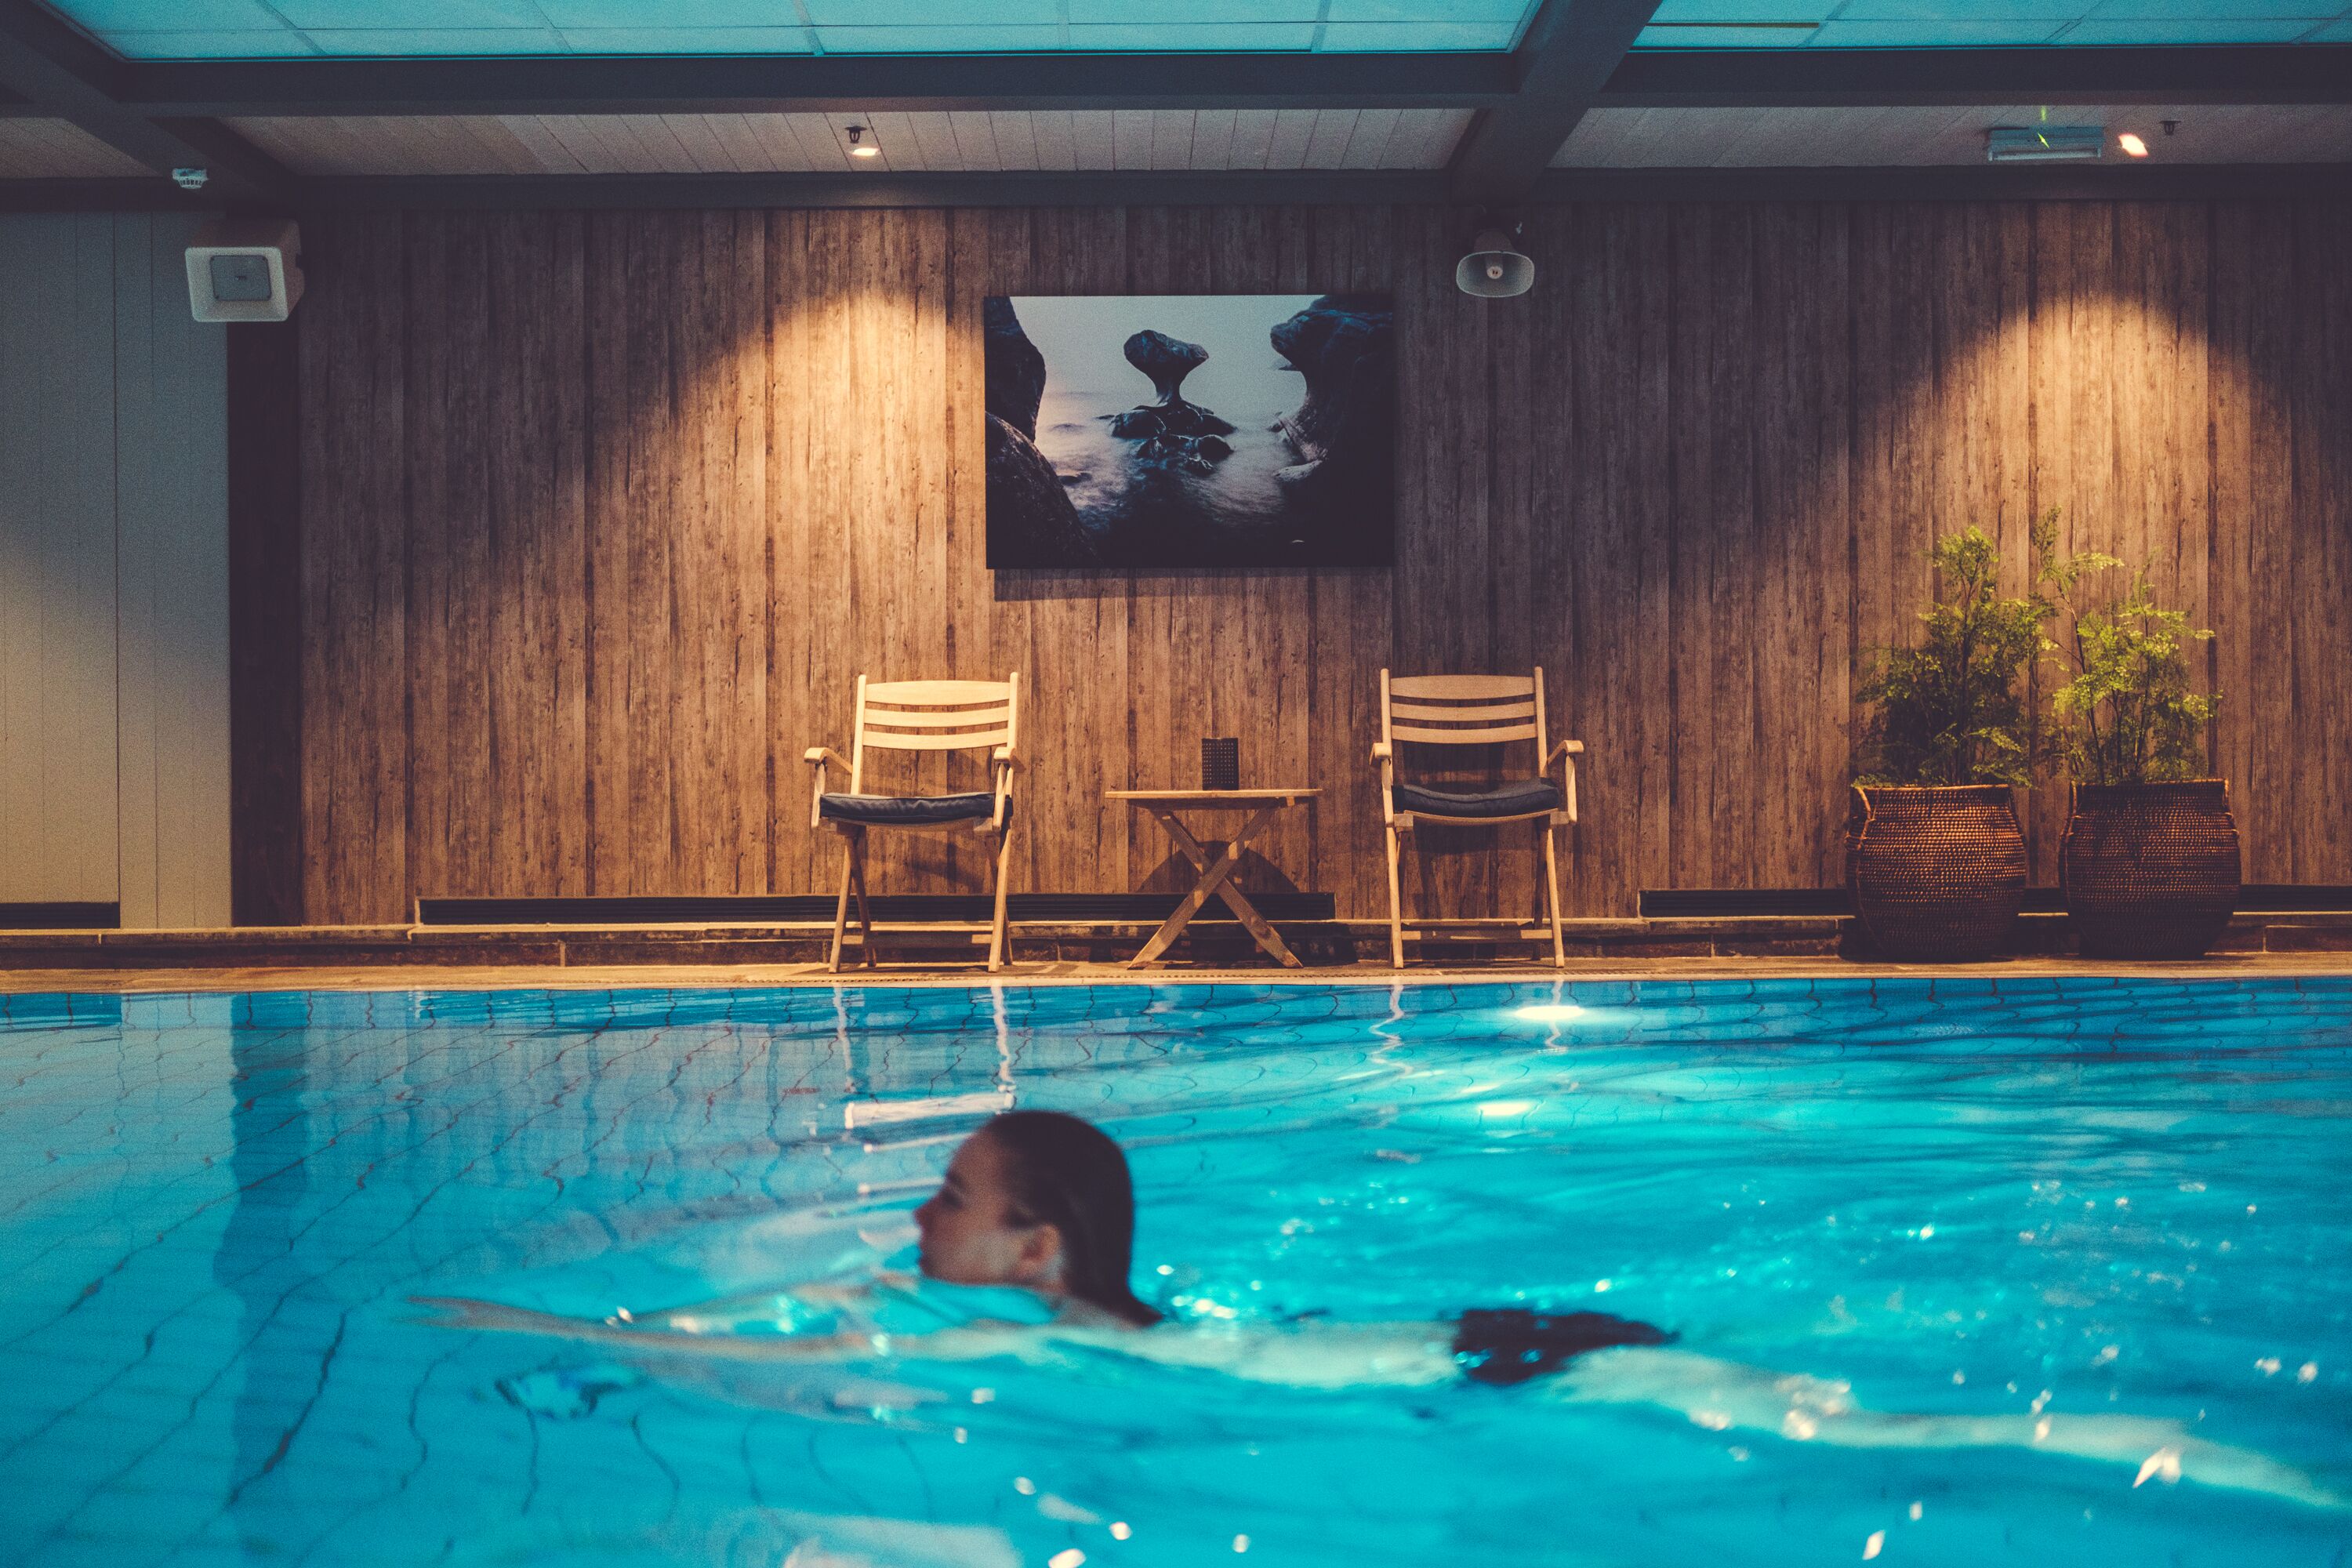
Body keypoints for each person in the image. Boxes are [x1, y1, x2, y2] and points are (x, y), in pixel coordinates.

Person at [416, 1112, 2340, 1509]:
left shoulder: (1001, 1333)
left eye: (952, 1198)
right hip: (1489, 1344)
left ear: (1034, 1250)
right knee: (1860, 1424)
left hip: (1513, 1367)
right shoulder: (1075, 1316)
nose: (916, 1214)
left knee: (1899, 1440)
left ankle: (2229, 1472)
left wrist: (542, 1333)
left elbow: (749, 1368)